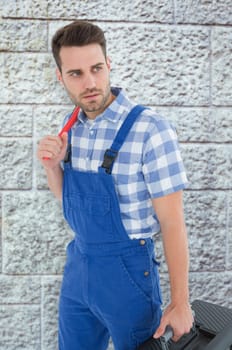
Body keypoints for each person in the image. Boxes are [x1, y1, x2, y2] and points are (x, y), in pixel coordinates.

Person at [37, 20, 193, 350]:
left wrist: (181, 303)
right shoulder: (70, 130)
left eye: (96, 68)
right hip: (78, 268)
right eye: (76, 73)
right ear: (60, 77)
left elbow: (172, 222)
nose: (90, 82)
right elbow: (70, 200)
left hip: (128, 276)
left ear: (109, 64)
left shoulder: (150, 129)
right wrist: (53, 168)